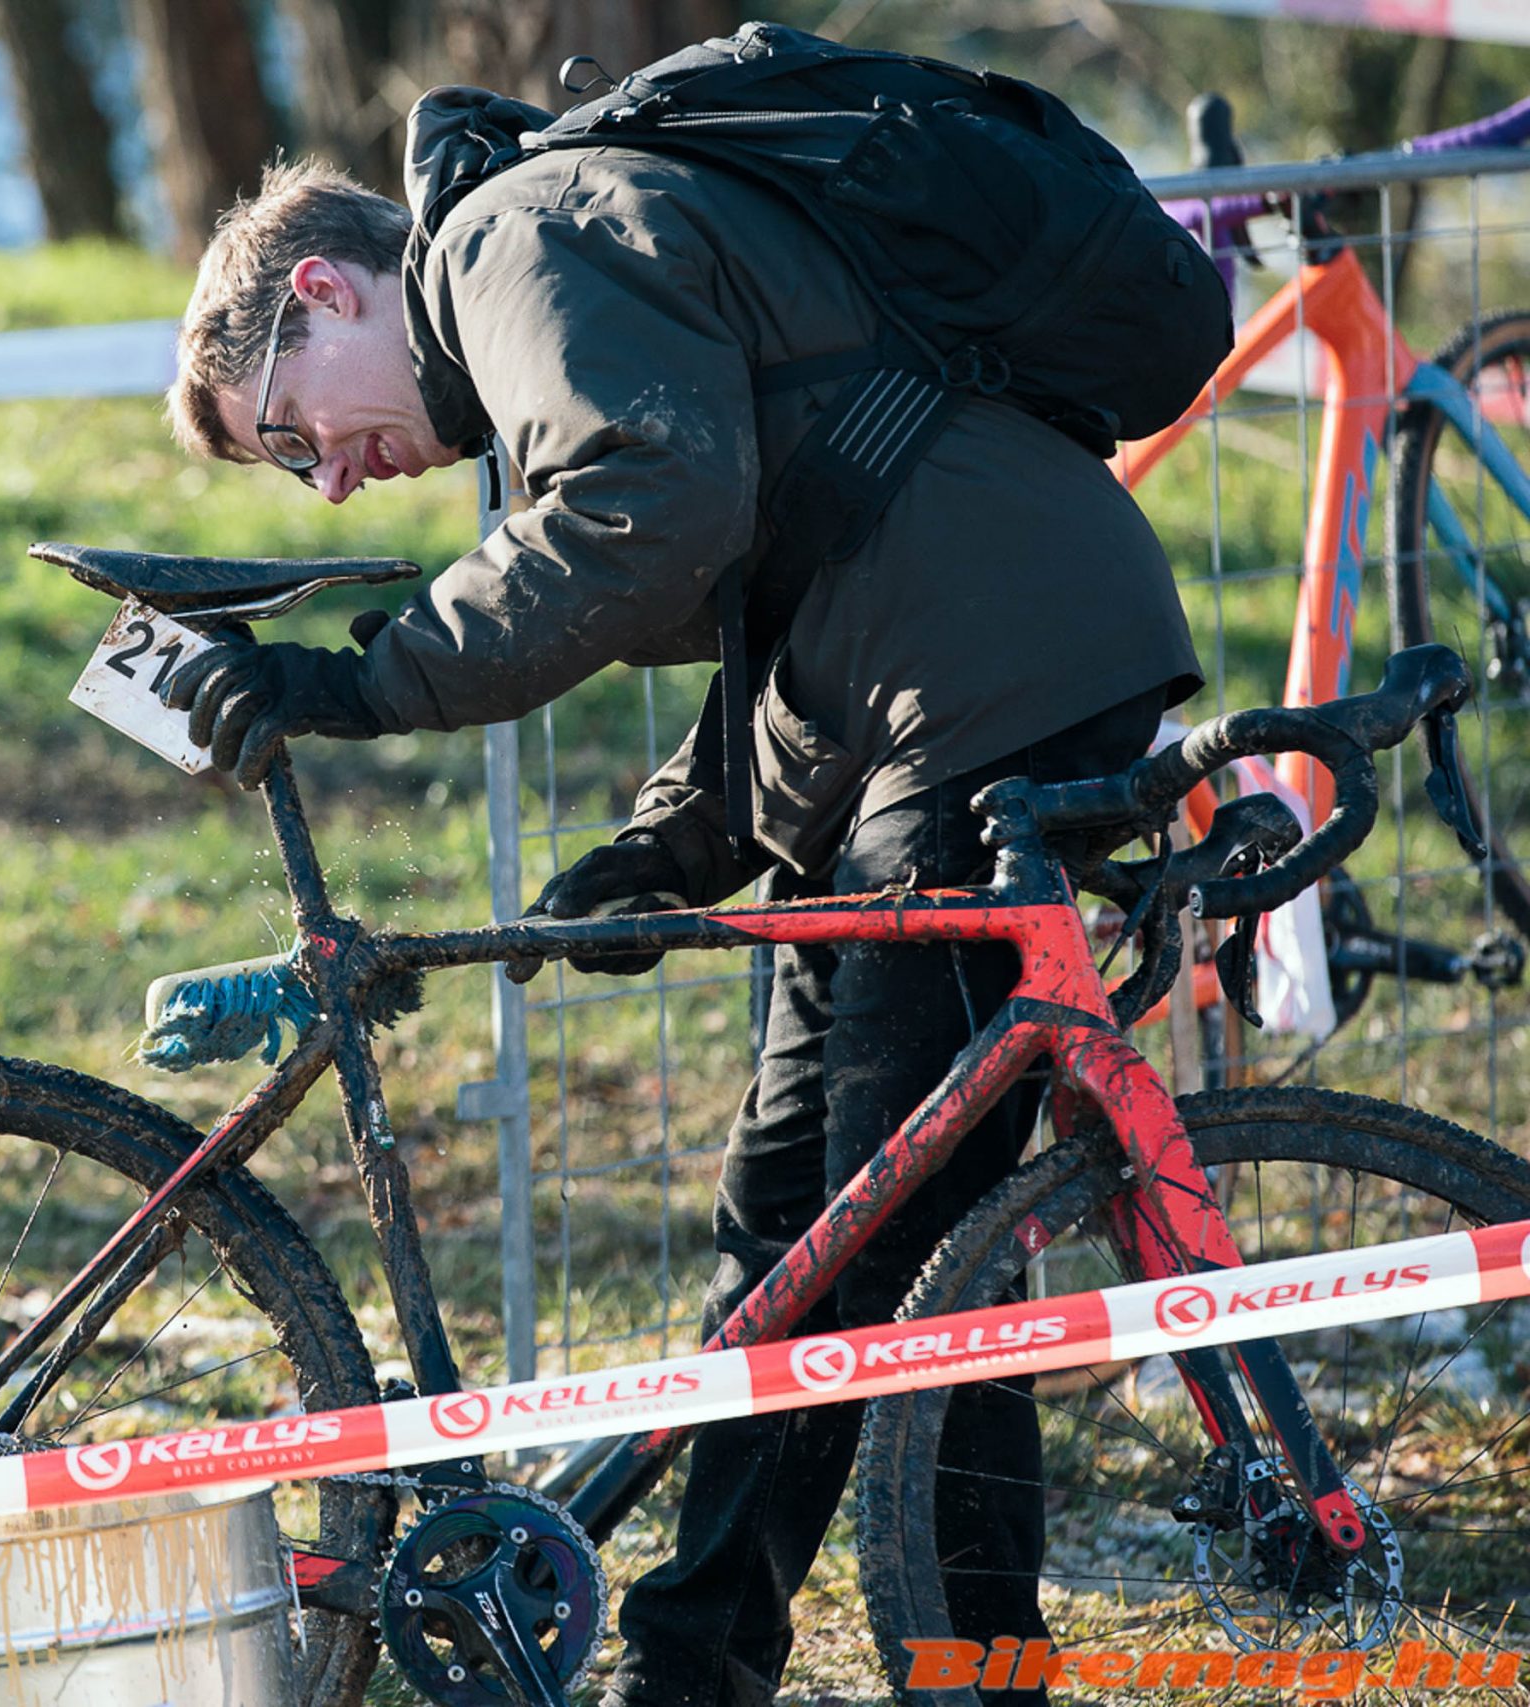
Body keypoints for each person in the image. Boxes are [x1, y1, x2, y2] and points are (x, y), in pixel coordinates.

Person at [153, 64, 1204, 1707]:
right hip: (933, 682)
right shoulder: (544, 257)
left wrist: (365, 679)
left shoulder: (509, 240)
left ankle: (975, 1674)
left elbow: (654, 500)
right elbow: (804, 553)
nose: (335, 483)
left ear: (324, 291)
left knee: (909, 1240)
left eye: (291, 437)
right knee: (797, 1221)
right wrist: (682, 836)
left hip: (1000, 678)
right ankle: (696, 1664)